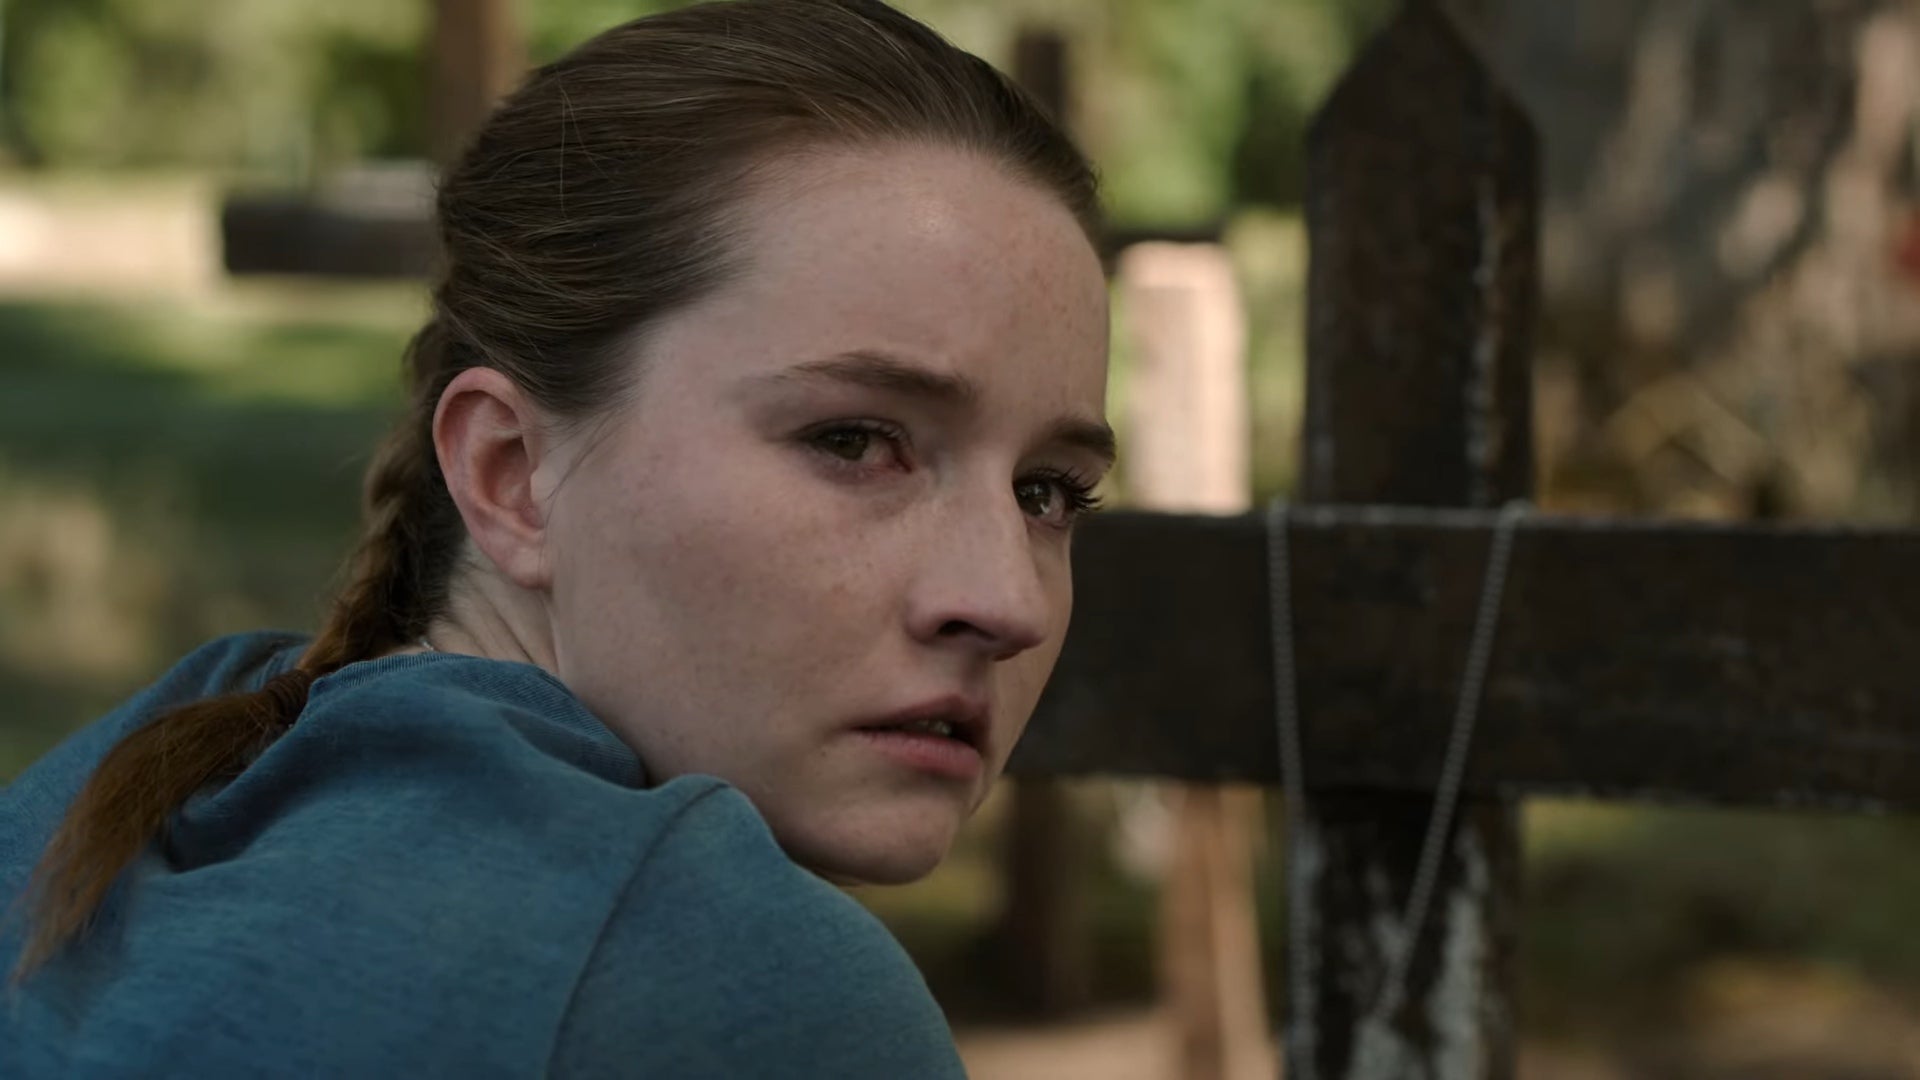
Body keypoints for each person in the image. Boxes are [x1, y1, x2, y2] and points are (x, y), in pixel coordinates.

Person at [0, 0, 1113, 1074]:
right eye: (856, 441)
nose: (1005, 602)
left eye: (1048, 492)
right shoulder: (748, 990)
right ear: (512, 474)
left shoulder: (128, 784)